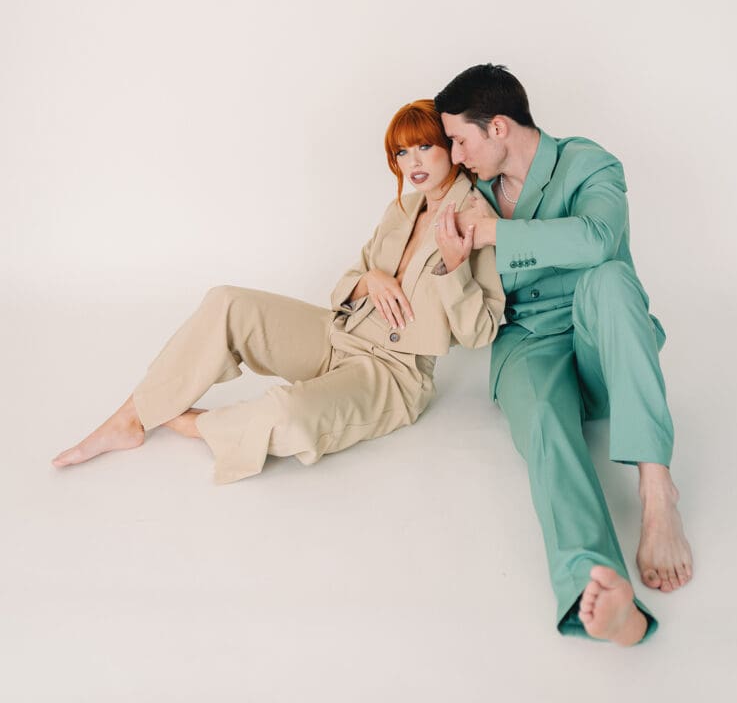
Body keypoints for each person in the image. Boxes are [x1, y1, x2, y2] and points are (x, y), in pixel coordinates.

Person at [52, 99, 505, 483]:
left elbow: (480, 332)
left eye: (425, 147)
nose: (413, 163)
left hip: (393, 373)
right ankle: (130, 418)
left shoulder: (476, 219)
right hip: (338, 334)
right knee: (227, 300)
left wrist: (454, 267)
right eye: (402, 152)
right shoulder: (401, 209)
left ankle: (193, 424)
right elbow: (343, 286)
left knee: (287, 413)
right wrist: (371, 280)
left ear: (451, 147)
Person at [434, 64, 693, 647]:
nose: (455, 155)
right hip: (527, 343)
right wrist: (447, 267)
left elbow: (597, 238)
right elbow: (460, 311)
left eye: (460, 140)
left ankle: (657, 492)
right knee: (549, 431)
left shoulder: (590, 164)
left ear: (498, 126)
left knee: (610, 278)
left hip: (603, 340)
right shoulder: (465, 193)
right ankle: (597, 591)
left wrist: (494, 235)